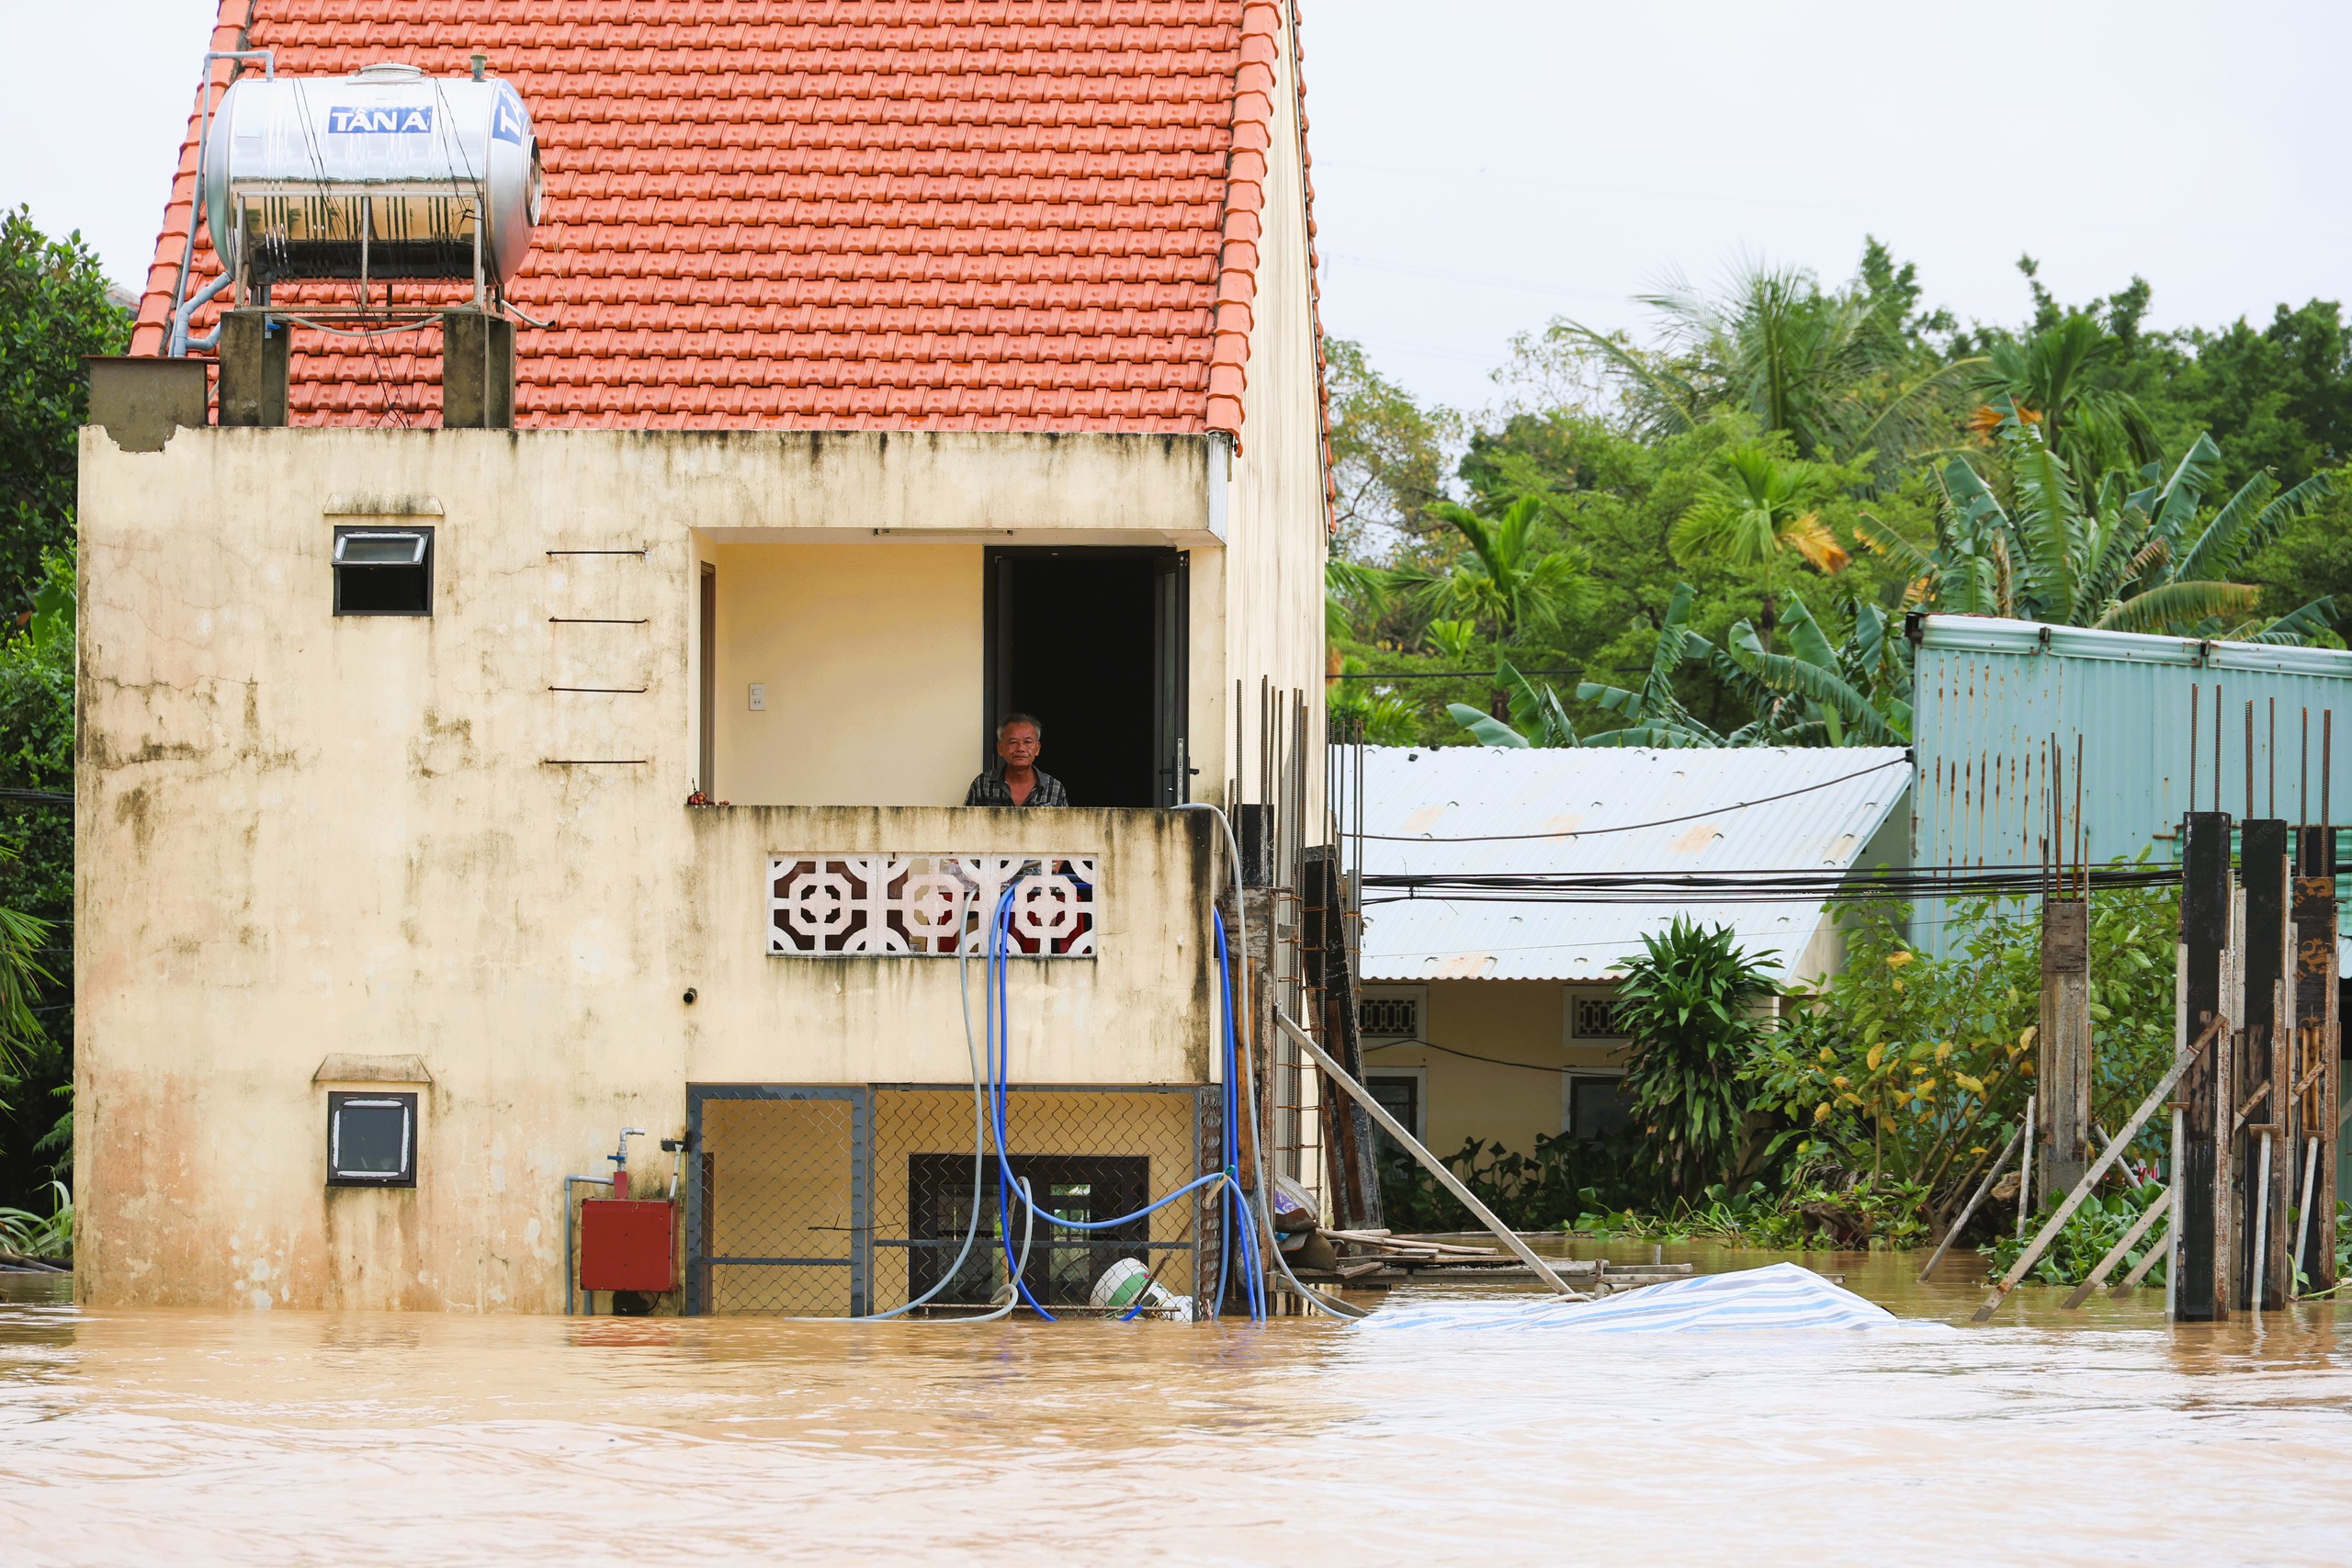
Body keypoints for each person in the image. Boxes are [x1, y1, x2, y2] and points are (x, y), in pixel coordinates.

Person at [965, 713, 1069, 807]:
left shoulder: (1054, 788)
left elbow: (1065, 827)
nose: (1020, 748)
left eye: (1027, 742)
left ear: (1037, 749)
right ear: (1001, 748)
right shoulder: (982, 785)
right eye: (1013, 742)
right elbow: (965, 825)